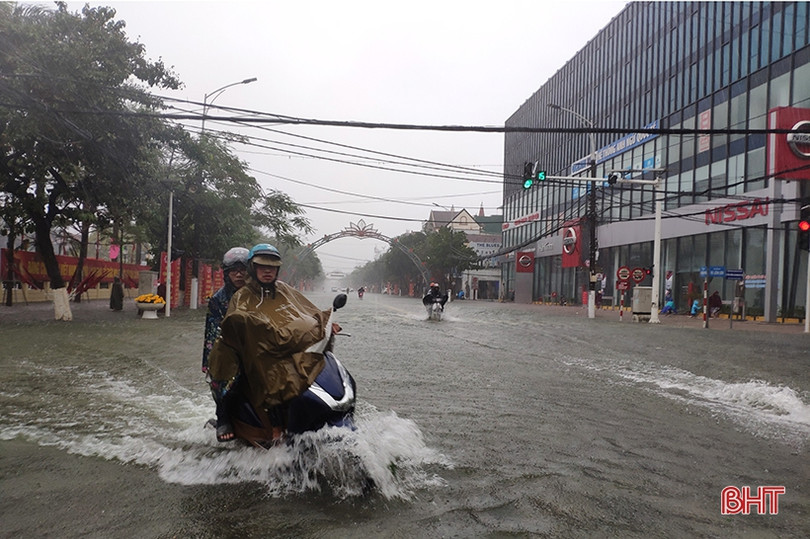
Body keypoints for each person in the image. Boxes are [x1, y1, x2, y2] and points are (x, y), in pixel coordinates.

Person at [207, 243, 336, 444]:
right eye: (262, 267)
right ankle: (267, 428)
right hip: (242, 347)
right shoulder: (239, 296)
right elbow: (229, 325)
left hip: (279, 343)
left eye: (272, 267)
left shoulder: (283, 289)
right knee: (265, 373)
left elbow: (305, 310)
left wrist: (325, 323)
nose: (267, 272)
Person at [202, 247, 249, 441]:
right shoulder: (219, 299)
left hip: (258, 345)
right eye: (233, 270)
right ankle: (223, 418)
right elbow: (214, 334)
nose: (239, 274)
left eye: (243, 270)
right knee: (224, 370)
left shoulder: (261, 293)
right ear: (226, 273)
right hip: (228, 346)